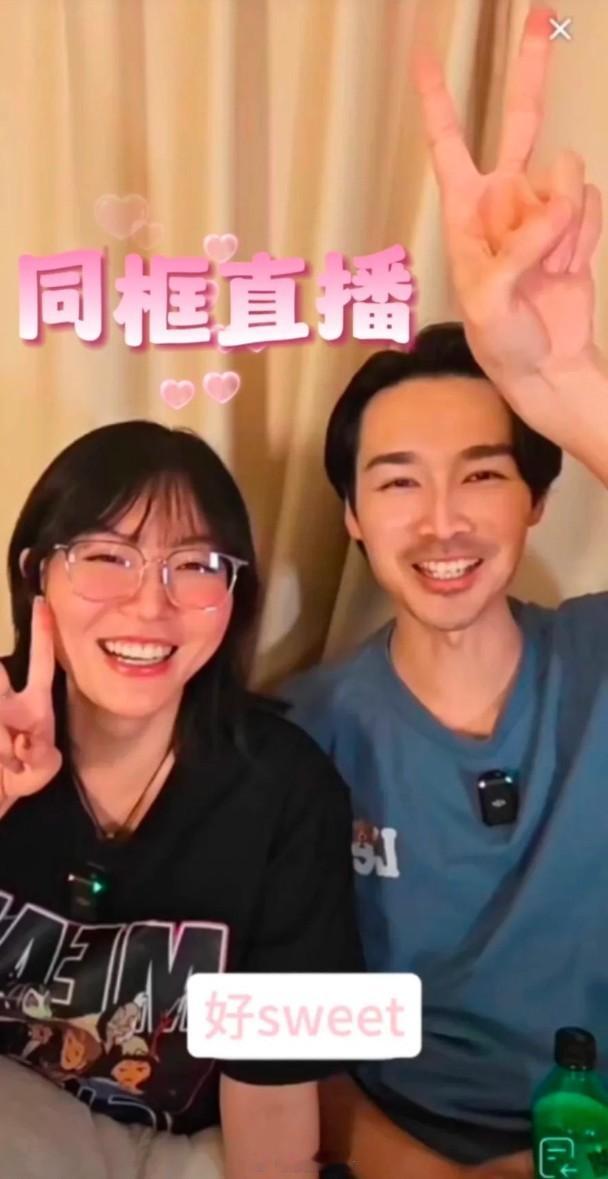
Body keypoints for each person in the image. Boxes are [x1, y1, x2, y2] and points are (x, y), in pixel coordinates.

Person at [282, 6, 608, 1178]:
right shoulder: (301, 734)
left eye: (480, 474)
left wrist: (569, 386)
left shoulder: (595, 658)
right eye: (396, 483)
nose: (440, 522)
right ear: (351, 516)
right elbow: (286, 1032)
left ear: (534, 500)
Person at [0, 419, 363, 1179]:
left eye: (195, 565)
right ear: (37, 576)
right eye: (107, 557)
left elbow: (272, 1096)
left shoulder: (288, 791)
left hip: (186, 1152)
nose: (149, 606)